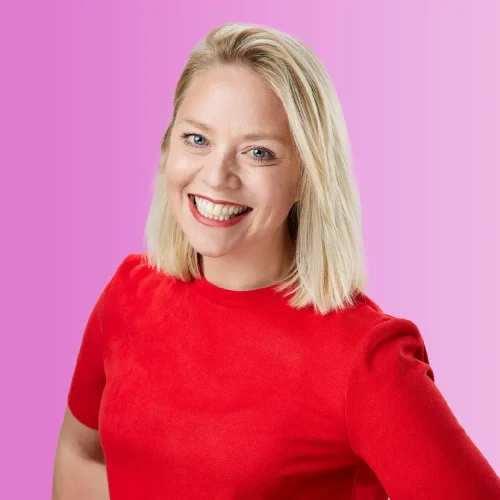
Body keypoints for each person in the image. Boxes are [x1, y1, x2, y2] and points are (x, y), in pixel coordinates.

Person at [52, 22, 500, 500]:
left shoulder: (366, 360)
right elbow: (81, 452)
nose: (217, 175)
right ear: (168, 148)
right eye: (197, 139)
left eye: (258, 152)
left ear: (306, 177)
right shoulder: (127, 292)